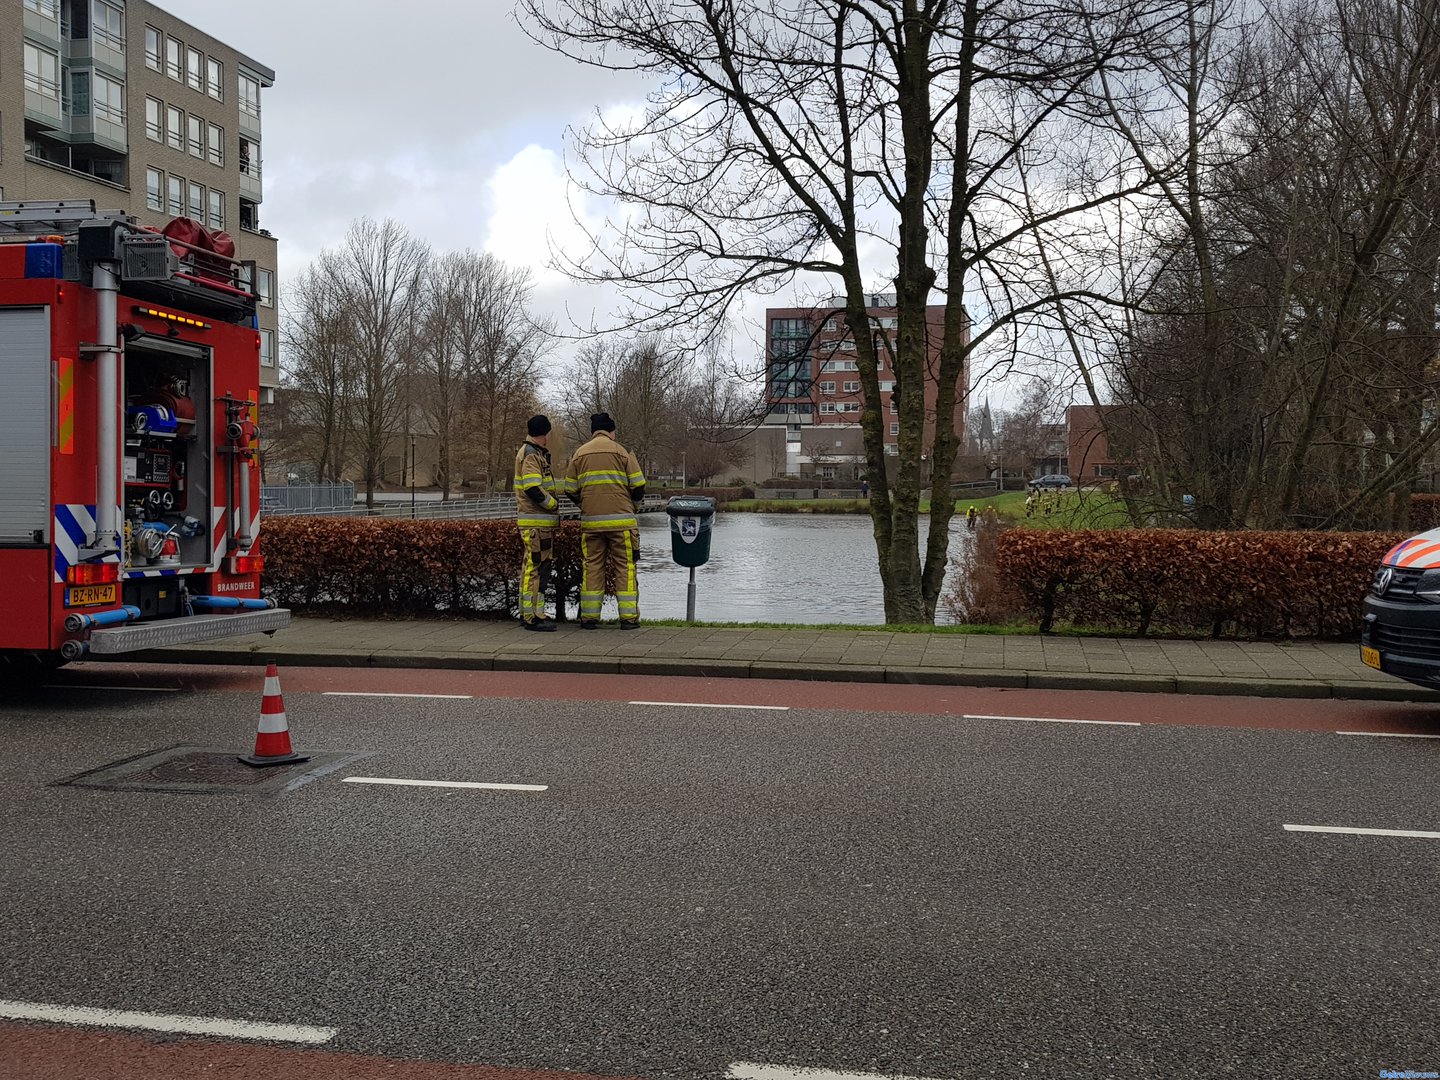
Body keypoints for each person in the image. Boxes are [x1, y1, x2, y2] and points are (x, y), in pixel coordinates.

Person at [567, 412, 646, 629]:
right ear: (612, 432)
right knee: (625, 567)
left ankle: (589, 618)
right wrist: (633, 507)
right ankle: (628, 619)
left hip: (591, 523)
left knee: (592, 567)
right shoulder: (622, 451)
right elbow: (638, 485)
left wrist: (585, 505)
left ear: (593, 432)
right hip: (622, 523)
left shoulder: (579, 454)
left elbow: (570, 489)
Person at [514, 414, 559, 631]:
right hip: (536, 523)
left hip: (536, 523)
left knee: (534, 568)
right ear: (544, 433)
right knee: (535, 569)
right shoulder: (532, 454)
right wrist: (552, 504)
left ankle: (532, 612)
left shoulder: (532, 452)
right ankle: (532, 617)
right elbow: (532, 487)